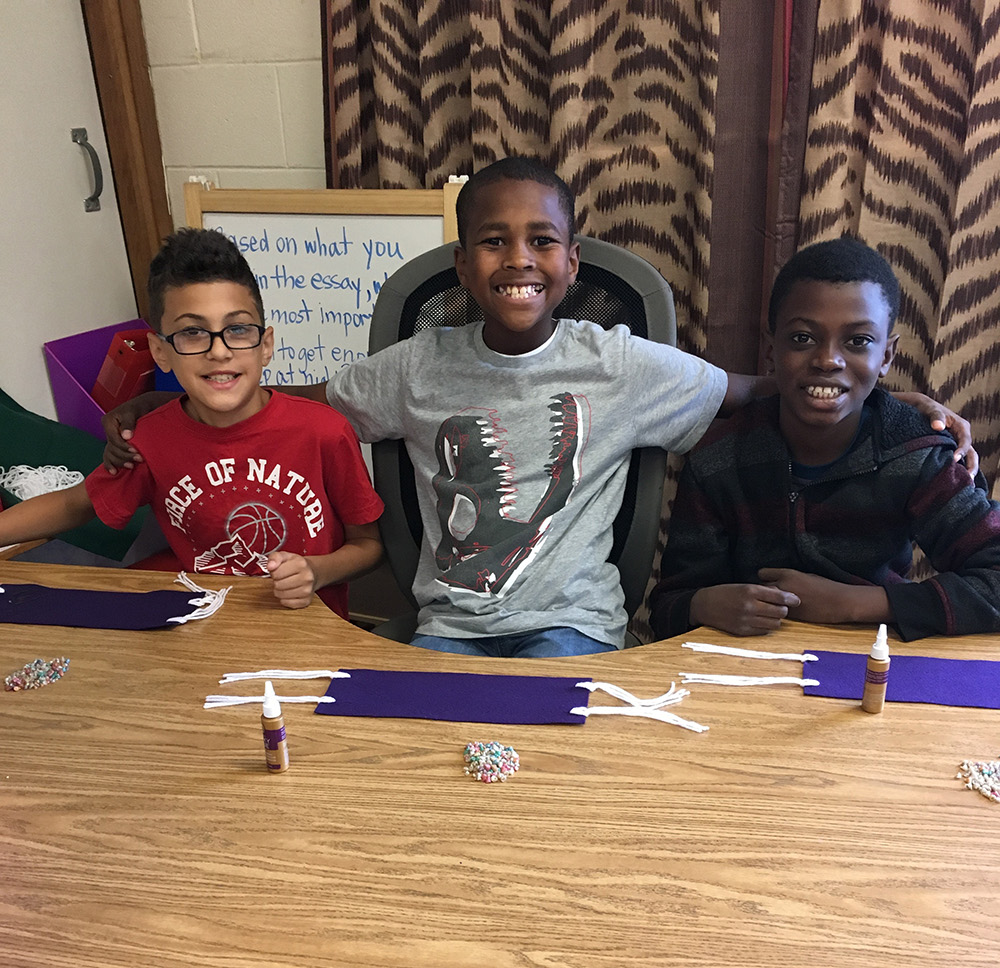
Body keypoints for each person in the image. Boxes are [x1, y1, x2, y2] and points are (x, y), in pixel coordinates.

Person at [103, 162, 976, 655]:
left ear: (571, 261)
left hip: (572, 627)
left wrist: (892, 403)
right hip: (446, 624)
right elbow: (303, 401)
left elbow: (764, 385)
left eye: (541, 241)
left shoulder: (620, 362)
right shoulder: (413, 366)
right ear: (460, 264)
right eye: (492, 240)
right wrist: (171, 392)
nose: (517, 259)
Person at [2, 228, 383, 616]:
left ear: (265, 345)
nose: (219, 351)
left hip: (307, 630)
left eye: (237, 329)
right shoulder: (150, 438)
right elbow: (74, 504)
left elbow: (369, 547)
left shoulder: (324, 431)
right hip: (202, 624)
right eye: (192, 333)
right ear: (160, 352)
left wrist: (316, 571)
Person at [649, 236, 1000, 641]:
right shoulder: (719, 460)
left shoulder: (916, 455)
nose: (827, 360)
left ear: (886, 356)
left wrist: (853, 603)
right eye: (803, 338)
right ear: (771, 349)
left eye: (857, 342)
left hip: (877, 655)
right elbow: (668, 609)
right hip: (744, 665)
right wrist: (702, 604)